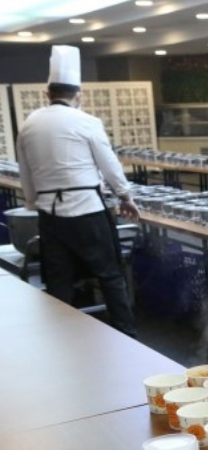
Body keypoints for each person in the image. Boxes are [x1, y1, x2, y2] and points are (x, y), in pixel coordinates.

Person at [17, 45, 139, 337]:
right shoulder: (87, 122)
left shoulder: (30, 123)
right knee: (110, 275)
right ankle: (126, 334)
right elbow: (108, 164)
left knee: (58, 280)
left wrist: (34, 202)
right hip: (87, 210)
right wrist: (125, 196)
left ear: (47, 94)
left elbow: (25, 170)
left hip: (50, 216)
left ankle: (64, 339)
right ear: (79, 94)